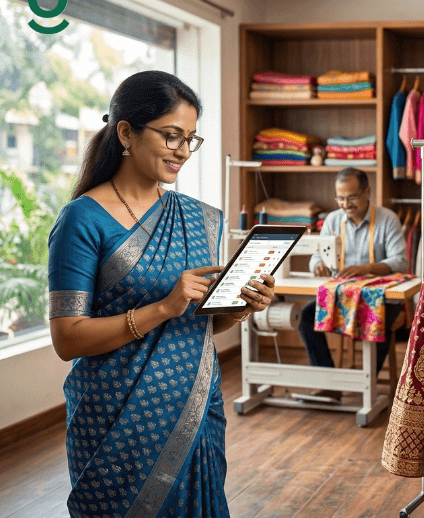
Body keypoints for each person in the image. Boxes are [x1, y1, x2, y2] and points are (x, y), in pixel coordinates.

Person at [48, 71, 275, 518]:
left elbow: (200, 323)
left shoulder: (199, 218)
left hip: (193, 409)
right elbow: (67, 339)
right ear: (126, 133)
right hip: (117, 422)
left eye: (191, 139)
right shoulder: (81, 220)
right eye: (172, 137)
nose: (184, 152)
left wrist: (238, 308)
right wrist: (162, 308)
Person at [295, 167, 408, 403]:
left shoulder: (388, 219)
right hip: (342, 294)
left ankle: (368, 385)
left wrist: (366, 268)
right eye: (341, 198)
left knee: (379, 319)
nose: (345, 204)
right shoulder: (333, 221)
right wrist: (317, 265)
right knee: (305, 316)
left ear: (367, 192)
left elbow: (400, 261)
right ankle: (328, 384)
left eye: (352, 197)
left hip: (380, 296)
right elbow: (317, 255)